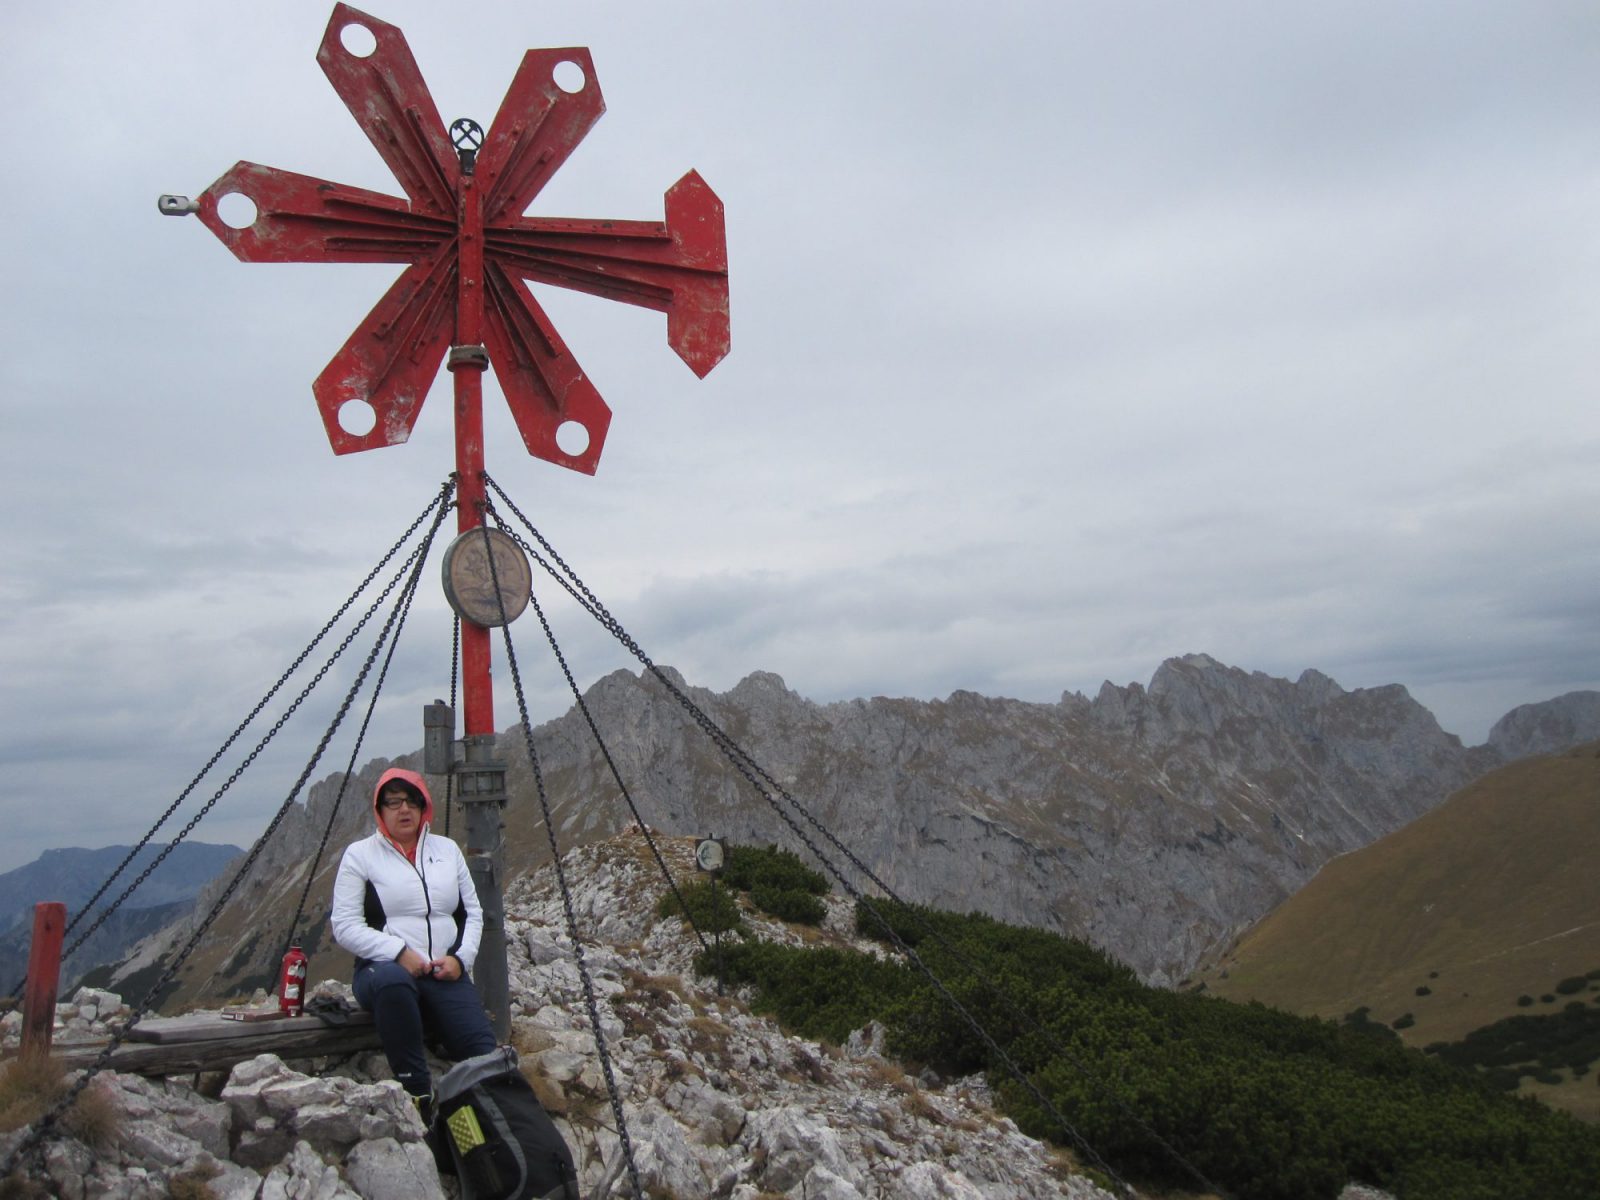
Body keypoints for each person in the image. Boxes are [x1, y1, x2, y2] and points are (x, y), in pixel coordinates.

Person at [331, 767, 497, 1114]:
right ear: (380, 810)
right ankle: (416, 1091)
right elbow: (344, 925)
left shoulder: (447, 850)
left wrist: (460, 960)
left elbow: (472, 913)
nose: (403, 809)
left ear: (424, 807)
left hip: (442, 971)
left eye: (411, 801)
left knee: (485, 1054)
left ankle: (488, 1114)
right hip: (381, 971)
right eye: (392, 802)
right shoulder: (360, 855)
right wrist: (398, 952)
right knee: (393, 983)